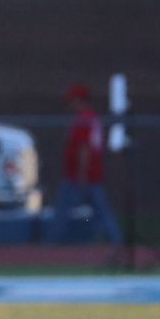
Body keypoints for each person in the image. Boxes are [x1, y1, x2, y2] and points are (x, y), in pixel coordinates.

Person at [46, 83, 120, 245]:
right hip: (84, 173)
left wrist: (82, 174)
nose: (69, 105)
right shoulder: (86, 117)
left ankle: (50, 244)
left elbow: (84, 148)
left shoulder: (85, 118)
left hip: (80, 174)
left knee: (63, 210)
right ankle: (115, 239)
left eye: (71, 101)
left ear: (80, 100)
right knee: (100, 210)